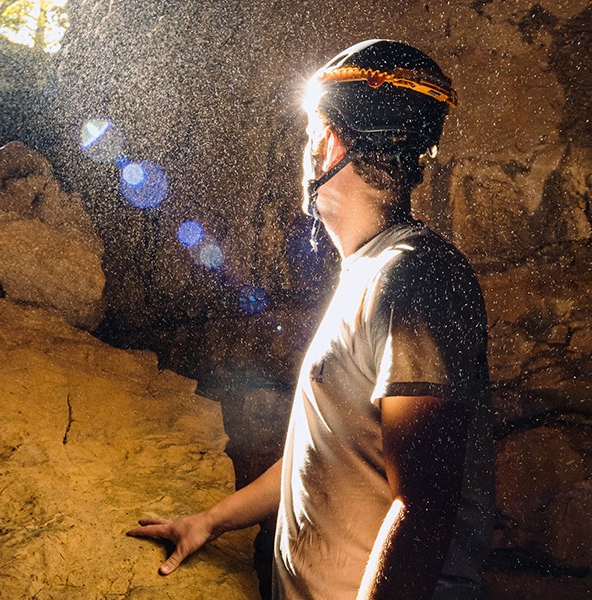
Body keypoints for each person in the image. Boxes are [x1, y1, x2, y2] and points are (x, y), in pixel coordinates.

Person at [129, 40, 493, 600]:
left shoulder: (414, 276)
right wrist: (213, 518)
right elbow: (325, 452)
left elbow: (423, 508)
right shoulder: (372, 271)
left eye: (309, 134)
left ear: (328, 142)